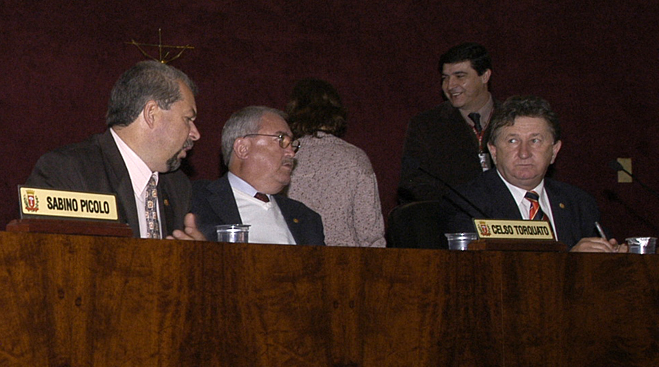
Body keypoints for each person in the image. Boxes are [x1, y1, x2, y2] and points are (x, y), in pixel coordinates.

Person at [24, 60, 205, 240]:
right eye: (188, 119)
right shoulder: (66, 171)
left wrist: (194, 258)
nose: (195, 134)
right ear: (151, 114)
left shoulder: (178, 186)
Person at [442, 95, 623, 252]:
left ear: (554, 151)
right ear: (494, 151)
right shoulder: (466, 203)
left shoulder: (580, 204)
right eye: (513, 141)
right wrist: (570, 260)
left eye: (535, 141)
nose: (524, 153)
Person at [192, 106, 326, 245]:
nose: (291, 153)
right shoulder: (193, 200)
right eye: (281, 140)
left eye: (292, 144)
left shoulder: (306, 218)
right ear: (243, 148)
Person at [284, 79, 385, 247]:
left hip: (293, 259)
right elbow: (370, 234)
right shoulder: (355, 158)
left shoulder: (285, 155)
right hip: (345, 263)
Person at [398, 42, 496, 204]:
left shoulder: (514, 120)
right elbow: (412, 186)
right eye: (445, 78)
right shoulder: (426, 126)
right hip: (451, 221)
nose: (450, 86)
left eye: (460, 76)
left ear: (485, 76)